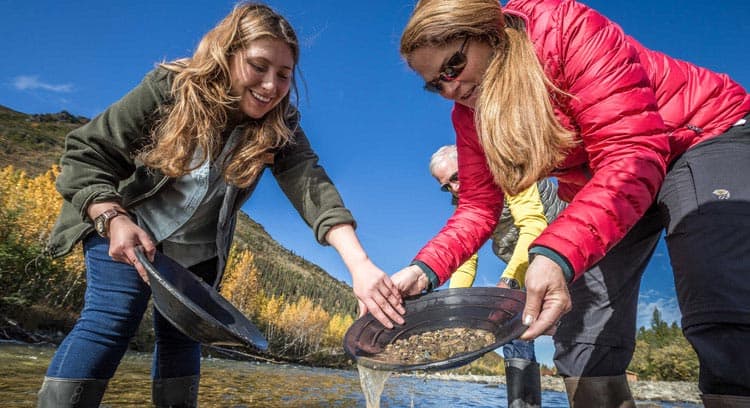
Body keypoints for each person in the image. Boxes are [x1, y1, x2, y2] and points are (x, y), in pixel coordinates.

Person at [37, 3, 404, 407]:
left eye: (283, 75)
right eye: (258, 66)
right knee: (112, 321)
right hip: (127, 222)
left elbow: (311, 184)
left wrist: (360, 265)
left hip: (195, 253)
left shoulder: (282, 125)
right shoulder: (170, 87)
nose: (270, 86)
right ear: (227, 55)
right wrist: (111, 215)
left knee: (183, 339)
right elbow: (87, 152)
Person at [391, 0, 750, 406]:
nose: (450, 89)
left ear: (490, 31)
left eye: (453, 66)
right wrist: (423, 270)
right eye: (435, 84)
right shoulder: (468, 116)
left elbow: (633, 151)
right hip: (605, 177)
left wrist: (556, 252)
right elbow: (477, 208)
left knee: (722, 308)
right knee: (581, 336)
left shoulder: (564, 28)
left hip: (699, 135)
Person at [431, 145, 567, 407]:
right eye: (446, 186)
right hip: (524, 263)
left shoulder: (509, 172)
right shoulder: (464, 204)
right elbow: (465, 257)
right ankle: (522, 403)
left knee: (575, 336)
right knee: (513, 325)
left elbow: (533, 227)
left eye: (457, 177)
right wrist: (453, 305)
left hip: (565, 249)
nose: (455, 189)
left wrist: (508, 281)